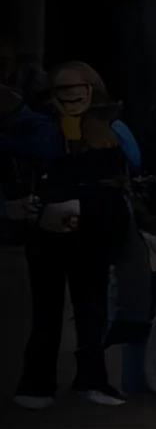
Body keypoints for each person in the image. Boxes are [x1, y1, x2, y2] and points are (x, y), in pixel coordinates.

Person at [14, 62, 139, 409]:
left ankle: (92, 379)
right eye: (61, 91)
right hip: (47, 235)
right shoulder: (40, 130)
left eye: (77, 89)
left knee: (92, 311)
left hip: (92, 233)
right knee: (46, 312)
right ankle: (37, 383)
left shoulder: (112, 128)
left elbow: (132, 163)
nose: (70, 98)